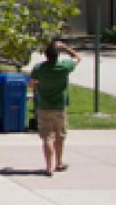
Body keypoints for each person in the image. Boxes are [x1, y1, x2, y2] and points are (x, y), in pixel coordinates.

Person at [29, 37, 81, 176]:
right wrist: (65, 47)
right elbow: (77, 57)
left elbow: (32, 83)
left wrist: (39, 84)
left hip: (44, 106)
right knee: (60, 136)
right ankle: (59, 162)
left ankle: (48, 167)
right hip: (59, 106)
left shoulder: (39, 68)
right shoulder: (64, 66)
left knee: (47, 137)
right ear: (58, 54)